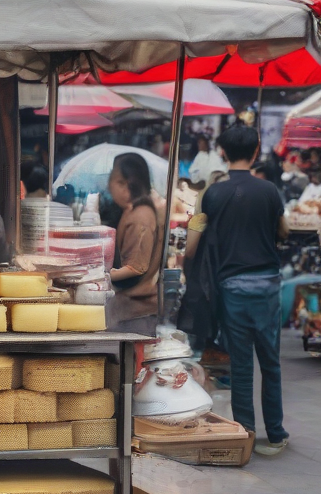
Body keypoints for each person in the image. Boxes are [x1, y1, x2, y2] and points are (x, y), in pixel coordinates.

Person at [187, 125, 289, 457]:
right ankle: (275, 435)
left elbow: (191, 246)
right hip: (267, 286)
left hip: (231, 288)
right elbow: (283, 231)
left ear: (223, 152)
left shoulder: (211, 194)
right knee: (270, 363)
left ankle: (245, 434)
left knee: (242, 365)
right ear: (257, 149)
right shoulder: (271, 190)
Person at [105, 152, 165, 334]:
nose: (111, 186)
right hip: (129, 309)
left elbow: (135, 268)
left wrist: (97, 277)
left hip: (136, 311)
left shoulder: (140, 217)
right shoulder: (130, 211)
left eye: (120, 182)